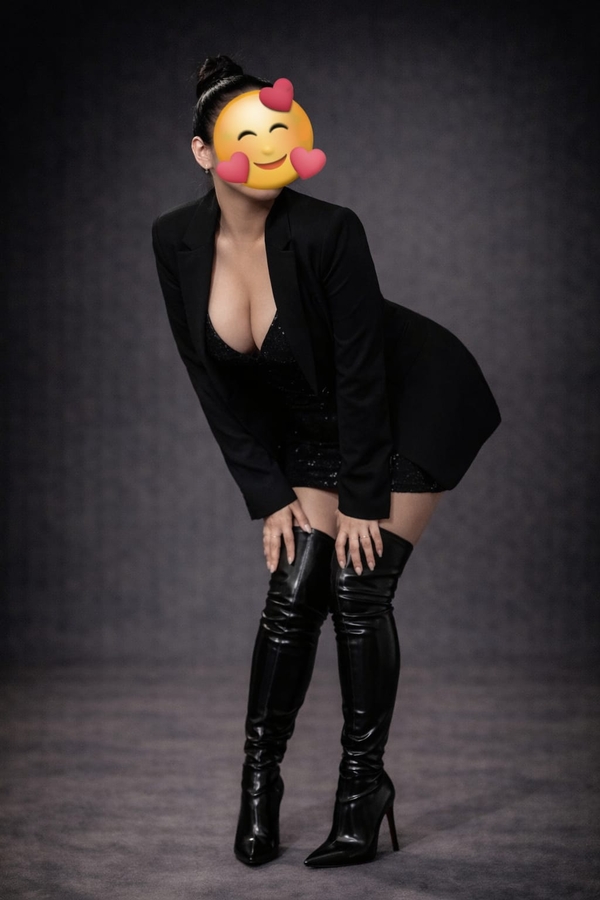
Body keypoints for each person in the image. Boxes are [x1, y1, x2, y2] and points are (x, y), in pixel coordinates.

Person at [151, 54, 501, 869]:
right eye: (246, 134)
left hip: (409, 402)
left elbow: (362, 373)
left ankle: (361, 791)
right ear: (203, 151)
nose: (268, 146)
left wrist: (364, 499)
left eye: (279, 129)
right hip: (312, 424)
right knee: (292, 590)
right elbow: (208, 377)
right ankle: (259, 787)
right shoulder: (175, 239)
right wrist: (268, 494)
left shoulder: (328, 228)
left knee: (355, 584)